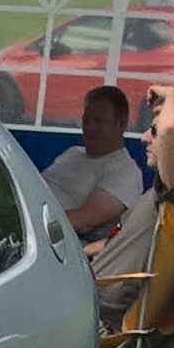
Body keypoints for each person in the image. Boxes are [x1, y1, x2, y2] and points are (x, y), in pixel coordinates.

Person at [88, 84, 174, 328]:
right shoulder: (167, 191)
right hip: (87, 295)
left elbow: (171, 129)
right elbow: (124, 239)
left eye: (153, 131)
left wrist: (172, 94)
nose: (144, 138)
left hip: (98, 316)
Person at [40, 86, 144, 242]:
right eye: (86, 121)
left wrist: (32, 223)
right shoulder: (72, 154)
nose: (90, 127)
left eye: (99, 121)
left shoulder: (125, 173)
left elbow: (83, 222)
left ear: (121, 124)